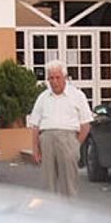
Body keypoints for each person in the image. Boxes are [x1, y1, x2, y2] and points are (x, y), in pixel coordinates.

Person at [27, 60, 93, 197]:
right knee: (47, 183)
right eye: (51, 78)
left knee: (68, 183)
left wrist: (75, 144)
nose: (54, 81)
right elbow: (35, 125)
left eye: (57, 77)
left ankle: (68, 214)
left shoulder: (77, 95)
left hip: (68, 139)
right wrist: (35, 148)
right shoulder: (43, 98)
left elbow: (86, 124)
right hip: (47, 140)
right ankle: (50, 214)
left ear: (65, 77)